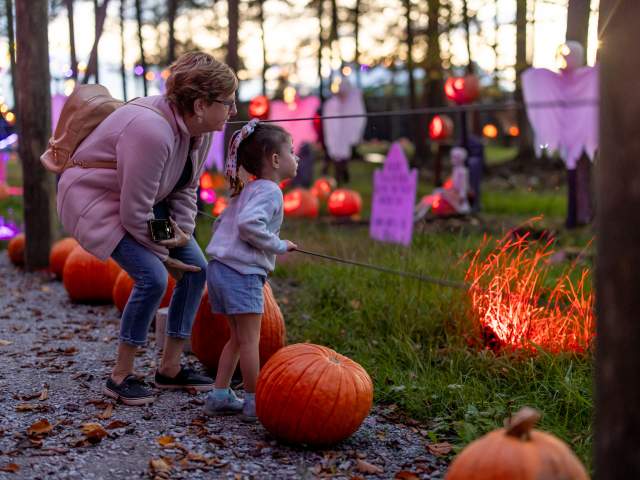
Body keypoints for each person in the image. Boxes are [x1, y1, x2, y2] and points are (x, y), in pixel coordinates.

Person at [56, 52, 238, 406]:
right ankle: (120, 376)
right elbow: (133, 211)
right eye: (227, 103)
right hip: (98, 201)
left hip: (140, 200)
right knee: (153, 277)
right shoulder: (151, 131)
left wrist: (181, 237)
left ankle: (169, 369)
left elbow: (185, 188)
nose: (232, 111)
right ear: (201, 105)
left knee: (197, 269)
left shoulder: (199, 132)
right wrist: (164, 257)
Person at [203, 119, 298, 422]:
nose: (296, 158)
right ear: (275, 160)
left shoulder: (246, 190)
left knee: (236, 337)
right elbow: (248, 225)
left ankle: (219, 395)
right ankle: (254, 402)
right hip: (240, 273)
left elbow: (222, 224)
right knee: (250, 341)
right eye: (292, 152)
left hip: (219, 269)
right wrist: (278, 245)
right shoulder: (270, 191)